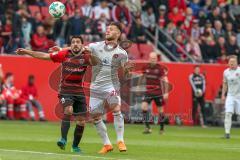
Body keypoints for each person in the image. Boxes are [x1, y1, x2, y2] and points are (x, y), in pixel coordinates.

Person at [16, 35, 97, 153]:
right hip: (65, 90)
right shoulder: (64, 54)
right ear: (70, 44)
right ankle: (63, 139)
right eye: (73, 42)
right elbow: (44, 56)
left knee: (81, 121)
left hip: (79, 91)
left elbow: (95, 63)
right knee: (68, 110)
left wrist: (91, 54)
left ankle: (75, 147)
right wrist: (27, 52)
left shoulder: (86, 56)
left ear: (82, 45)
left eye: (78, 42)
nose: (75, 44)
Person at [137, 52, 169, 134]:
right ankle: (148, 128)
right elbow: (142, 77)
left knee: (160, 111)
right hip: (148, 92)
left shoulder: (160, 68)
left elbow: (165, 80)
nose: (153, 60)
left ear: (156, 59)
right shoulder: (145, 67)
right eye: (151, 58)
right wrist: (138, 86)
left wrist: (166, 92)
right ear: (149, 59)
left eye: (154, 58)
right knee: (143, 107)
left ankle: (162, 129)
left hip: (158, 92)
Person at [221, 55, 240, 139]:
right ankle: (227, 133)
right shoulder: (225, 72)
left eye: (233, 62)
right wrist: (223, 95)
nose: (232, 64)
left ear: (237, 63)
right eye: (230, 62)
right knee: (228, 114)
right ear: (228, 63)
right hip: (230, 95)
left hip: (239, 96)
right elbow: (225, 84)